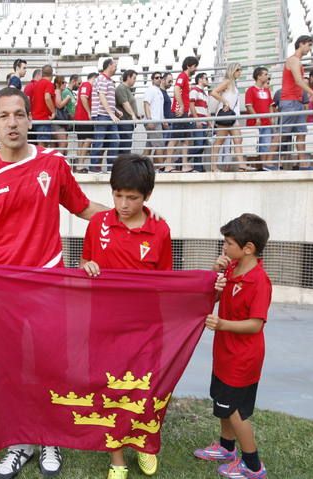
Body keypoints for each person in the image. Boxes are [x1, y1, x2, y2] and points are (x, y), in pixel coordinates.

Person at [0, 87, 109, 479]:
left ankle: (50, 437)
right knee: (13, 368)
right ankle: (21, 443)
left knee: (49, 364)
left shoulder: (52, 163)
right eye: (4, 116)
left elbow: (84, 208)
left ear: (31, 120)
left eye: (19, 114)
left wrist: (127, 216)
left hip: (49, 281)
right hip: (4, 290)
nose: (13, 123)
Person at [80, 154, 172, 479]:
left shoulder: (160, 230)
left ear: (146, 196)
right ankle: (116, 459)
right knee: (109, 391)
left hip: (145, 328)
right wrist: (86, 267)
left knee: (146, 390)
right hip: (104, 326)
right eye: (117, 195)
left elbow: (165, 283)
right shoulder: (98, 224)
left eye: (131, 197)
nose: (122, 203)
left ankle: (145, 444)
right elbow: (86, 263)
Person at [194, 213, 271, 479]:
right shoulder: (231, 269)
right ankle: (227, 449)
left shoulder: (259, 281)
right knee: (223, 403)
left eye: (228, 243)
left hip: (243, 359)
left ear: (248, 248)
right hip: (225, 354)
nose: (224, 248)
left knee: (237, 412)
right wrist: (216, 272)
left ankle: (253, 466)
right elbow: (214, 296)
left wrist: (222, 324)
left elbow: (255, 324)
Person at [279, 36, 313, 170]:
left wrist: (306, 99)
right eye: (309, 45)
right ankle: (268, 163)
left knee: (301, 133)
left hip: (296, 102)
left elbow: (298, 83)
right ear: (301, 44)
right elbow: (298, 80)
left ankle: (303, 164)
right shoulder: (293, 60)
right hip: (289, 101)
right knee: (282, 133)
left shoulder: (297, 61)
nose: (310, 49)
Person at [210, 63, 250, 172]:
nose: (240, 72)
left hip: (233, 116)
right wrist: (225, 102)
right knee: (220, 141)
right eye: (238, 70)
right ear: (232, 71)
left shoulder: (233, 83)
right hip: (226, 115)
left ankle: (242, 165)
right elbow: (213, 92)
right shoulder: (227, 82)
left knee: (237, 139)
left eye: (240, 70)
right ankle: (213, 167)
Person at [167, 56, 199, 172]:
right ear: (188, 66)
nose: (196, 69)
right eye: (195, 66)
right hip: (179, 112)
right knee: (174, 139)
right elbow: (176, 89)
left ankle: (185, 165)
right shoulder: (182, 76)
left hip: (183, 112)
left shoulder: (185, 77)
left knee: (185, 139)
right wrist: (181, 106)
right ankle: (168, 165)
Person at [90, 58, 121, 172]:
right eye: (115, 65)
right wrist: (111, 113)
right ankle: (93, 167)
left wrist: (115, 111)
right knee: (99, 141)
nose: (116, 68)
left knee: (115, 140)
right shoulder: (102, 79)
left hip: (108, 115)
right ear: (109, 65)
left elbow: (106, 98)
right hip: (102, 115)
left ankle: (110, 167)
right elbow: (102, 96)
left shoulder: (108, 80)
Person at [245, 67, 274, 170]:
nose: (267, 76)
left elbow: (270, 105)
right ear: (259, 76)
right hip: (254, 123)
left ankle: (263, 167)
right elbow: (249, 106)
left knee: (265, 145)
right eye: (265, 74)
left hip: (266, 123)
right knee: (253, 146)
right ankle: (250, 167)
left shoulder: (267, 90)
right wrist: (257, 118)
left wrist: (271, 117)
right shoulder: (250, 90)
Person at [74, 72, 97, 172]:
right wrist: (89, 113)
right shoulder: (87, 85)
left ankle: (80, 164)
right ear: (94, 78)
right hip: (84, 118)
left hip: (80, 118)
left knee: (82, 141)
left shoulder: (83, 85)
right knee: (88, 139)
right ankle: (80, 164)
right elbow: (84, 97)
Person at [29, 64, 56, 147]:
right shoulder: (49, 84)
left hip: (35, 118)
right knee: (43, 144)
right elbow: (47, 97)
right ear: (52, 74)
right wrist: (53, 112)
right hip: (44, 118)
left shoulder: (36, 84)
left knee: (41, 143)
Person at [143, 71, 166, 168]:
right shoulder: (151, 89)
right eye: (156, 77)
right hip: (153, 121)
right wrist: (149, 120)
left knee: (149, 146)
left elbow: (158, 108)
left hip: (157, 121)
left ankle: (142, 166)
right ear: (152, 80)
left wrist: (163, 120)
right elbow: (146, 103)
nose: (159, 79)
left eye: (160, 77)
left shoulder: (159, 91)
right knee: (159, 145)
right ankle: (161, 167)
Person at [115, 69, 139, 156]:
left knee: (126, 146)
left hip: (127, 123)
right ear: (128, 77)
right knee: (124, 147)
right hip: (124, 123)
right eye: (134, 78)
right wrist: (133, 115)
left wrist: (136, 115)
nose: (135, 80)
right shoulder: (121, 88)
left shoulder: (127, 89)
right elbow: (125, 103)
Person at [189, 72, 210, 172]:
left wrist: (209, 123)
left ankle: (198, 167)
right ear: (200, 79)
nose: (208, 80)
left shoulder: (204, 93)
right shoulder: (194, 90)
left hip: (204, 122)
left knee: (202, 144)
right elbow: (191, 104)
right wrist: (196, 119)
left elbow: (206, 109)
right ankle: (180, 160)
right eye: (206, 78)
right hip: (197, 121)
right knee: (199, 145)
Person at [52, 74, 71, 153]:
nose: (65, 84)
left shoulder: (58, 91)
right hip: (58, 123)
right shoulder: (57, 91)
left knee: (56, 145)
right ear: (57, 84)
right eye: (62, 82)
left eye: (65, 82)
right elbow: (59, 105)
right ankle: (58, 162)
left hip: (57, 122)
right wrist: (67, 98)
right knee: (63, 143)